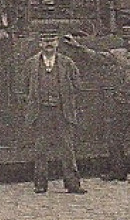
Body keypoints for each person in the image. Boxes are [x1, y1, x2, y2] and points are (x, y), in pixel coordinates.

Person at [65, 25, 130, 184]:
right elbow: (95, 57)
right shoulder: (117, 54)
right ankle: (118, 171)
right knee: (114, 138)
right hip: (122, 102)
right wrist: (77, 46)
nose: (129, 42)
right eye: (126, 39)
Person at [21, 29, 87, 195]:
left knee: (67, 149)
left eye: (52, 41)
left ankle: (72, 184)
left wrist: (70, 103)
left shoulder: (67, 63)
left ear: (57, 43)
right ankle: (40, 184)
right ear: (40, 44)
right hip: (41, 112)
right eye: (45, 41)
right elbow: (22, 89)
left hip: (61, 112)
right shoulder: (31, 64)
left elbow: (78, 85)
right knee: (40, 149)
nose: (49, 44)